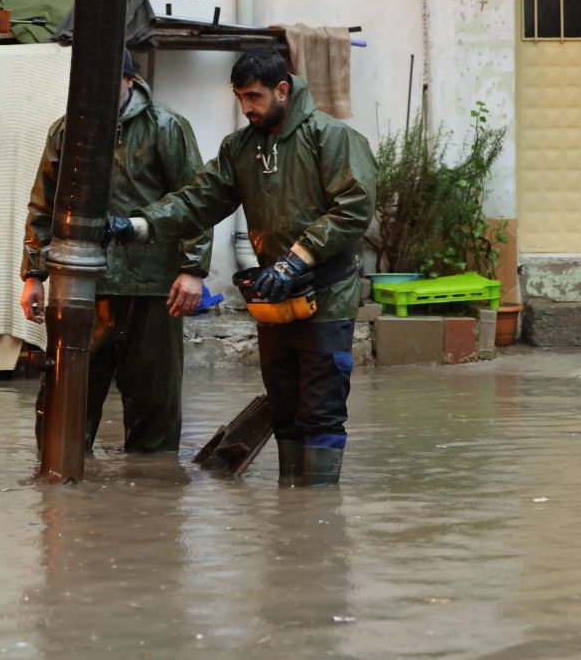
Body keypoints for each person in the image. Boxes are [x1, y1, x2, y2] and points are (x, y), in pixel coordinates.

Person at [107, 47, 375, 486]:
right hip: (275, 297)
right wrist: (136, 225)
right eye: (240, 98)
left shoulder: (333, 138)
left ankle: (319, 518)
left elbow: (354, 208)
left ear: (282, 90)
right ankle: (293, 512)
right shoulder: (240, 149)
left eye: (254, 97)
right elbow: (198, 201)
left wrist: (295, 260)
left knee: (321, 409)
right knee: (284, 406)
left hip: (326, 296)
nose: (246, 107)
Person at [21, 50, 212, 453]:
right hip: (83, 286)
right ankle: (62, 493)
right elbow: (43, 205)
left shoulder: (166, 126)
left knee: (154, 409)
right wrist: (33, 276)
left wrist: (192, 269)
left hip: (154, 289)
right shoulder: (66, 130)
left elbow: (198, 200)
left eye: (107, 82)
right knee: (63, 403)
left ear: (129, 80)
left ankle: (151, 499)